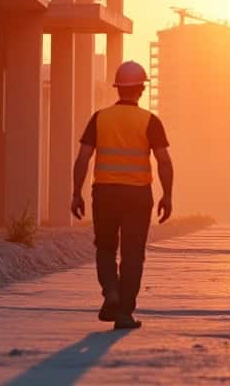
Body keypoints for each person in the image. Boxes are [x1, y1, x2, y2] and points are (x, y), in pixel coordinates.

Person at [71, 60, 174, 330]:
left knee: (105, 248)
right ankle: (125, 312)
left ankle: (111, 293)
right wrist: (167, 195)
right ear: (140, 89)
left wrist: (76, 193)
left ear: (118, 88)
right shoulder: (150, 121)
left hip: (104, 193)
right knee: (133, 254)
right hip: (138, 196)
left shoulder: (100, 118)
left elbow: (83, 158)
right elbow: (164, 161)